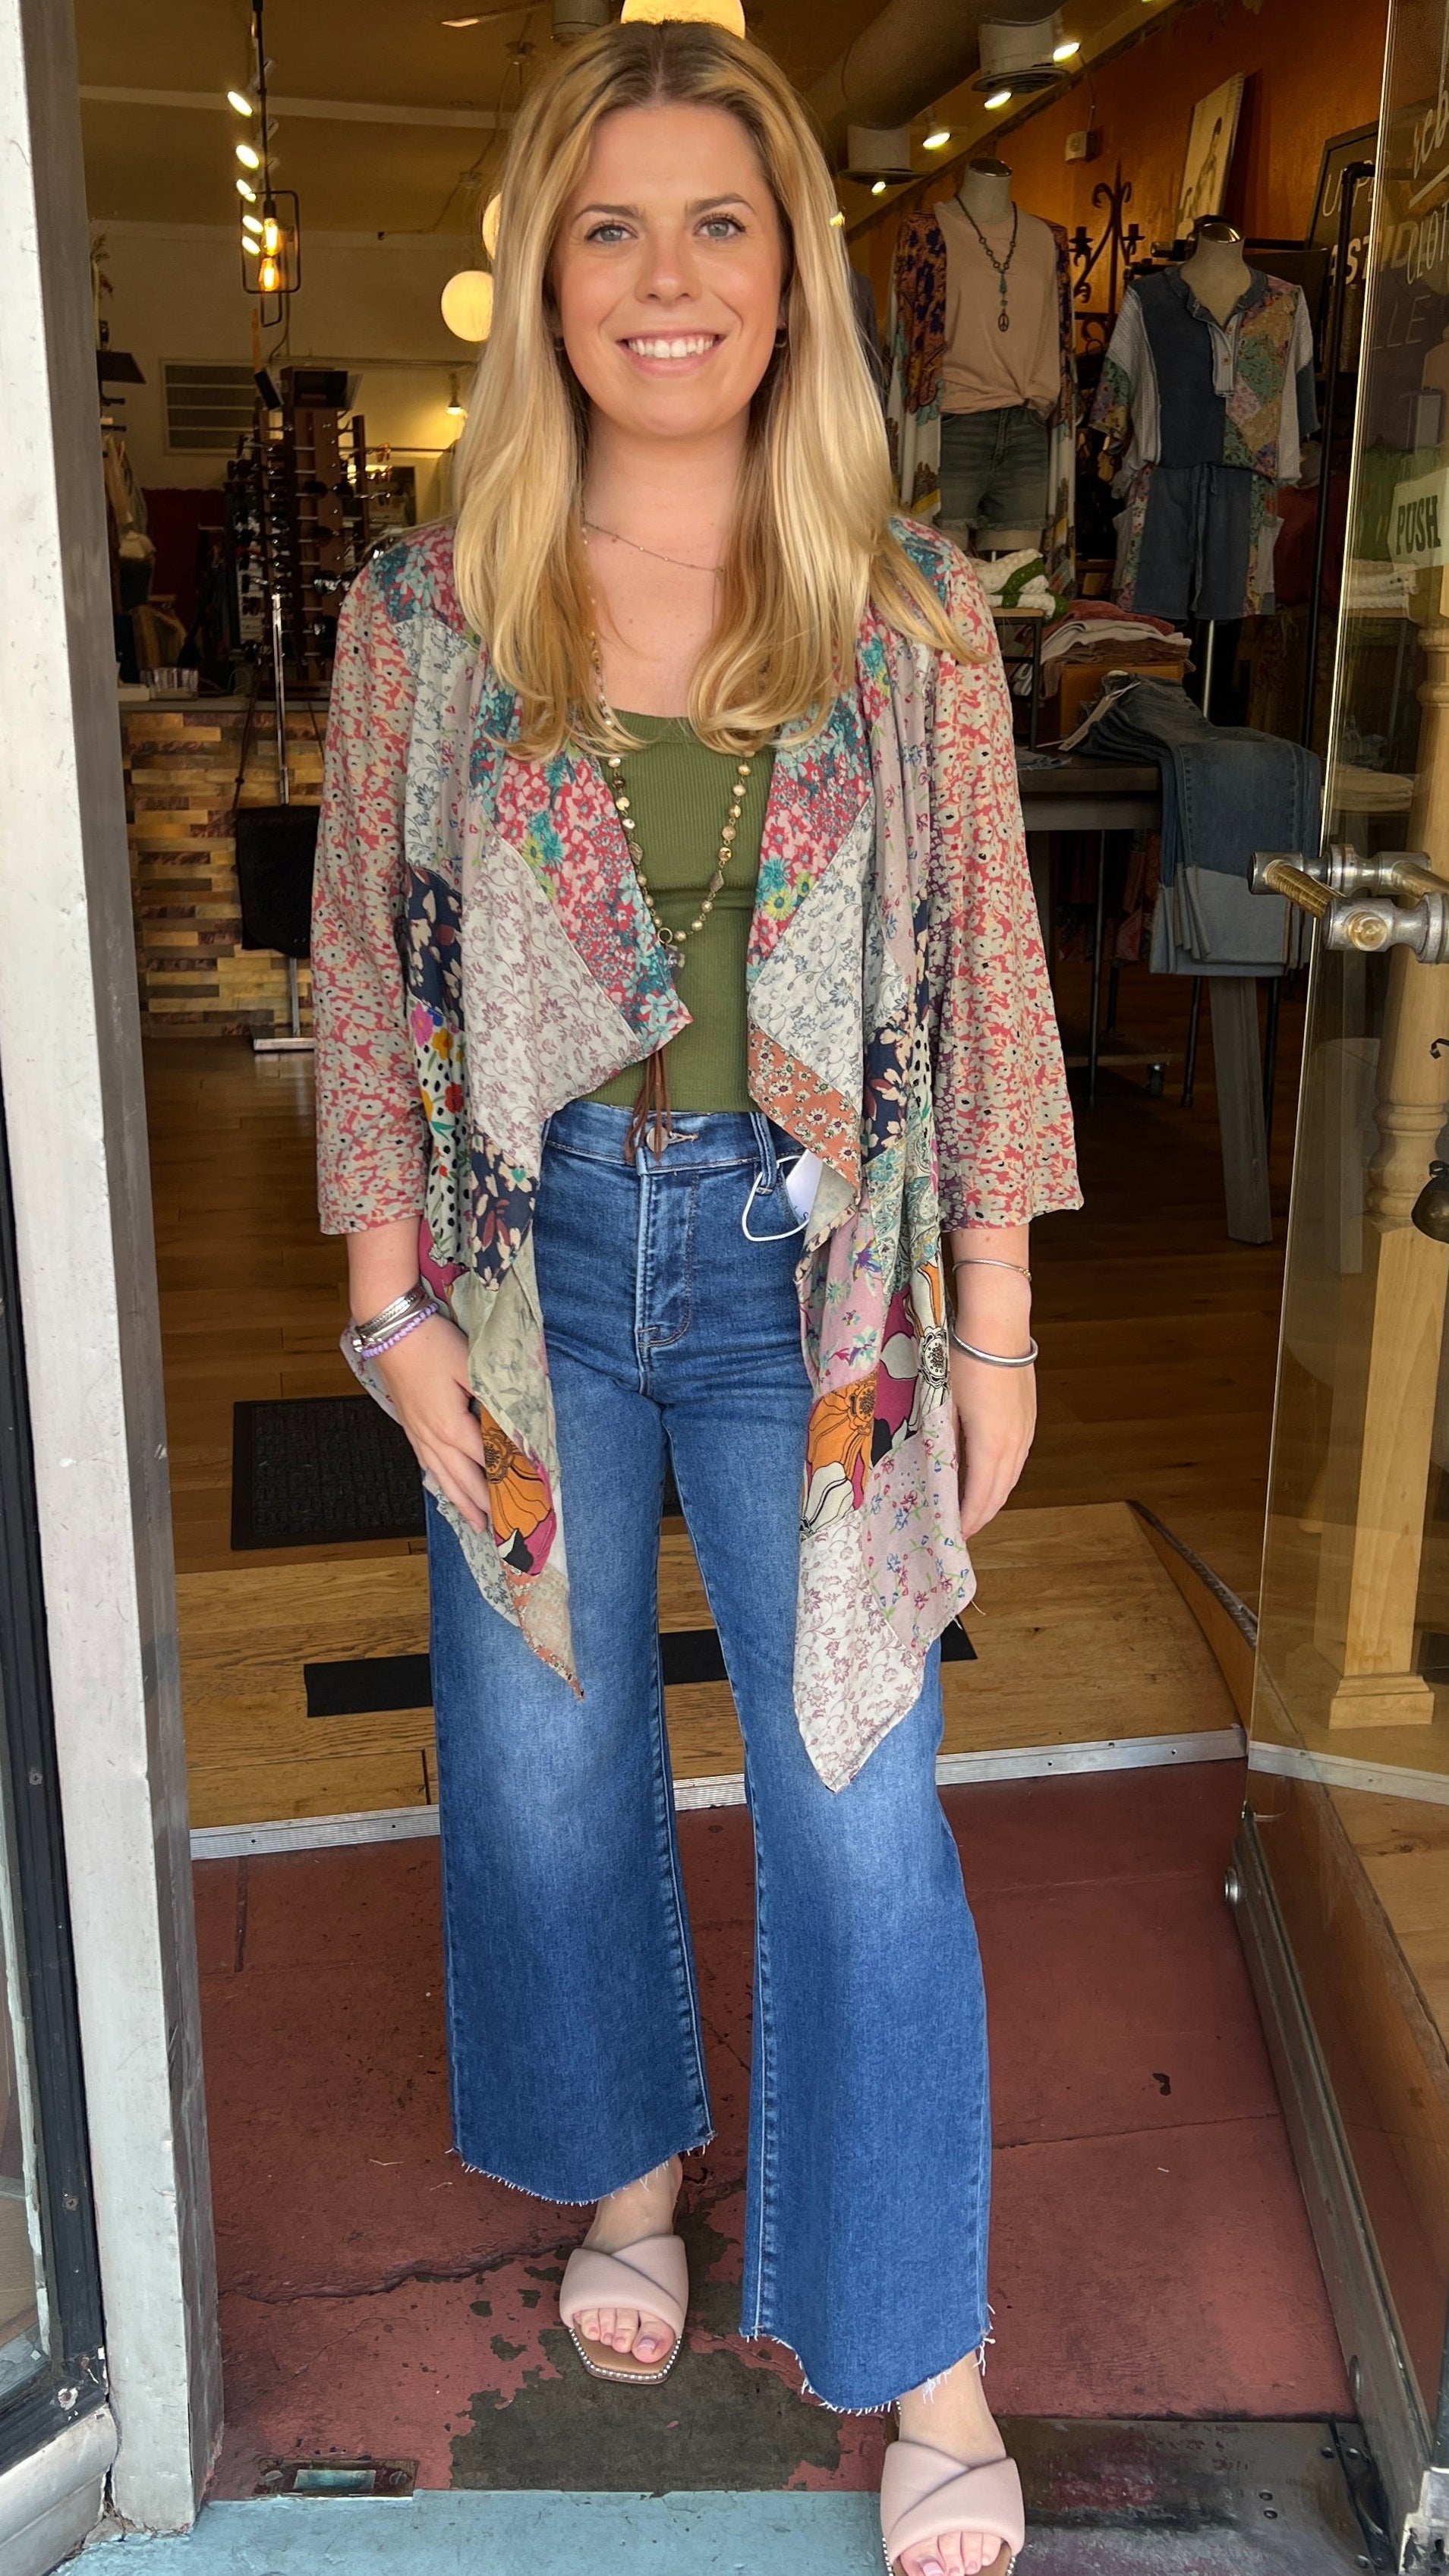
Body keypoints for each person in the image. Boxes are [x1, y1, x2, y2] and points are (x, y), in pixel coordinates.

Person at [312, 20, 1079, 2575]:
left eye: (719, 224)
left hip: (813, 1285)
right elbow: (370, 965)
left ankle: (923, 2345)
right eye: (612, 225)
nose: (666, 277)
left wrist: (997, 1317)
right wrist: (386, 1304)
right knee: (543, 1767)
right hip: (531, 1280)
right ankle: (629, 2173)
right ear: (541, 273)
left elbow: (981, 972)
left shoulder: (911, 604)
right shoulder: (429, 608)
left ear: (792, 279)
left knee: (864, 1806)